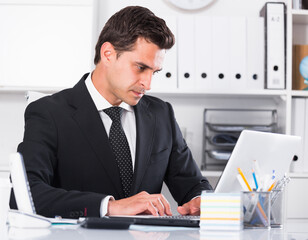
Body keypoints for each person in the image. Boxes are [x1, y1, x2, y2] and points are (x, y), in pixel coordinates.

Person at [10, 6, 212, 218]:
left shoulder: (161, 114)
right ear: (108, 54)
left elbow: (193, 185)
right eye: (141, 68)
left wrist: (199, 200)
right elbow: (25, 194)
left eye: (155, 72)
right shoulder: (49, 113)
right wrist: (109, 206)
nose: (148, 83)